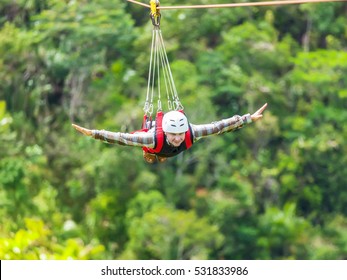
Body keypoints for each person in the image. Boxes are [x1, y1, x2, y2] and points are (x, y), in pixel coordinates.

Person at [72, 103, 267, 163]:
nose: (177, 138)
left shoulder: (192, 133)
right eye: (173, 135)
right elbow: (122, 138)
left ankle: (157, 155)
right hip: (154, 147)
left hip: (160, 150)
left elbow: (219, 126)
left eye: (180, 134)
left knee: (206, 131)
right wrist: (94, 133)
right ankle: (152, 154)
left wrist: (248, 118)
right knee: (149, 149)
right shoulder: (150, 137)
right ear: (165, 133)